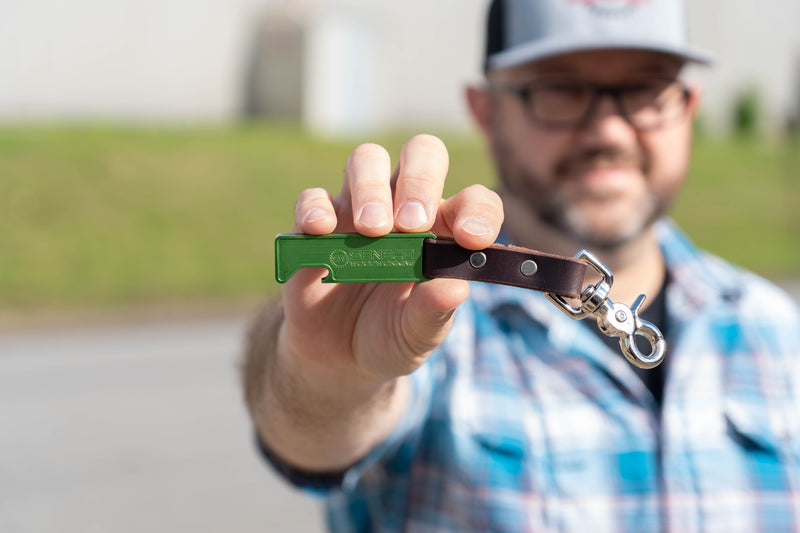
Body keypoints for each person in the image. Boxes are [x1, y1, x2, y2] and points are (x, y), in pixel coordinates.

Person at [243, 0, 800, 531]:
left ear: (688, 107)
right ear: (485, 110)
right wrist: (329, 375)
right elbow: (312, 433)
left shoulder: (780, 333)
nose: (608, 130)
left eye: (644, 88)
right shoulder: (423, 317)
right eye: (560, 88)